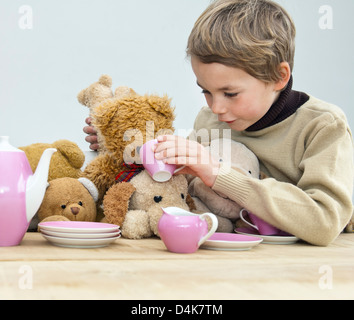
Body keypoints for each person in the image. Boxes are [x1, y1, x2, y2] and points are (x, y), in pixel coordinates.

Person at [84, 0, 353, 246]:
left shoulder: (323, 126)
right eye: (206, 91)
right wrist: (116, 147)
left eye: (230, 93)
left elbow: (326, 222)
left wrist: (217, 173)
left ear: (278, 76)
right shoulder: (209, 120)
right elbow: (173, 188)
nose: (216, 107)